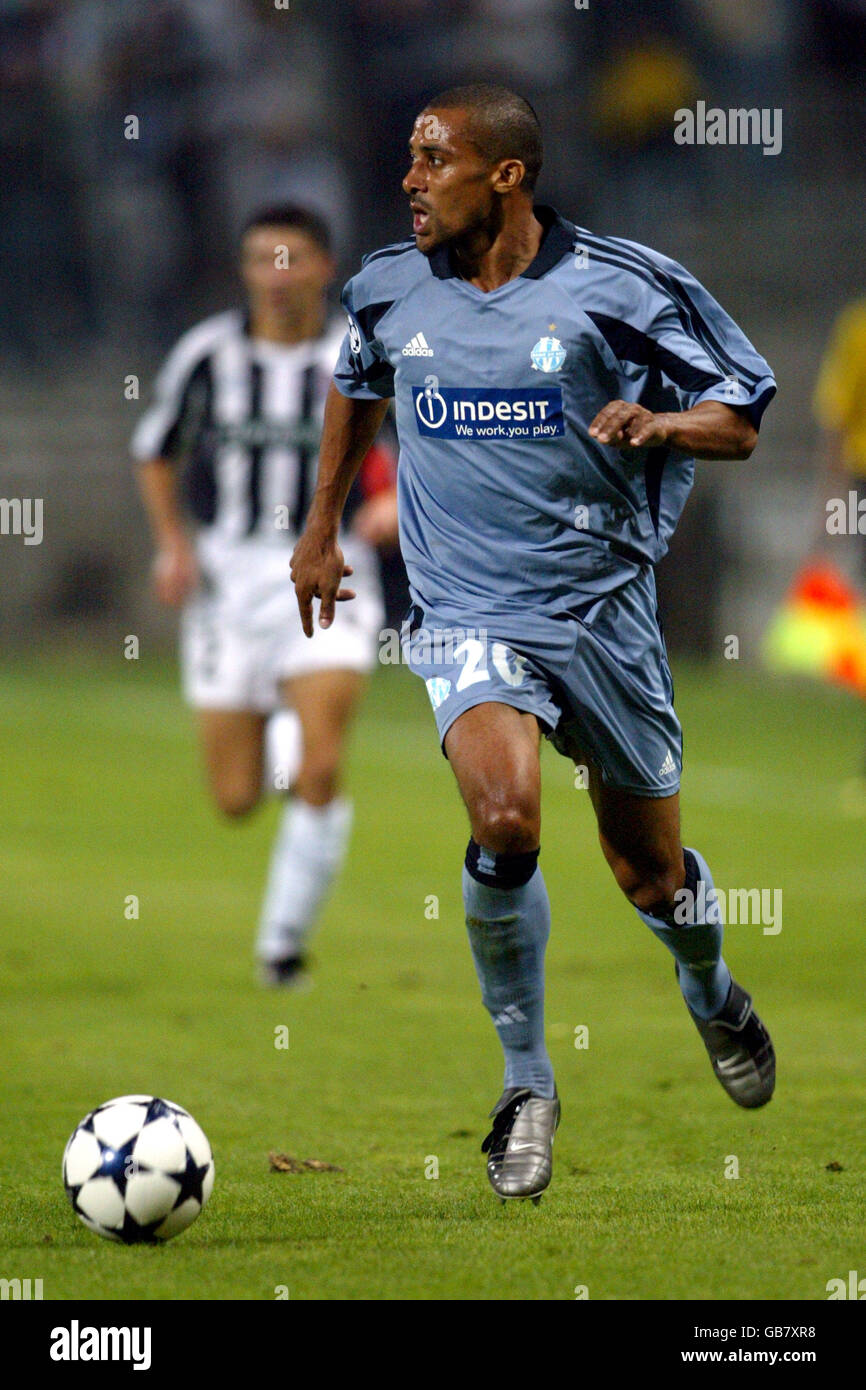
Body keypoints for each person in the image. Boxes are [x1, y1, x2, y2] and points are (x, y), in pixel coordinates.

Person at [290, 86, 777, 1203]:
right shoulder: (385, 286)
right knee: (504, 815)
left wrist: (660, 422)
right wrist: (318, 526)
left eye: (433, 159)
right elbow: (356, 380)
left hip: (603, 611)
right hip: (462, 608)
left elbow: (740, 410)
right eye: (408, 159)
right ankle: (525, 1085)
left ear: (505, 175)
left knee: (646, 873)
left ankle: (708, 991)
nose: (409, 180)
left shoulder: (622, 287)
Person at [132, 204, 398, 986]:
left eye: (293, 259)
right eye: (260, 259)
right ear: (244, 270)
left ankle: (281, 947)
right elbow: (156, 451)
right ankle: (283, 731)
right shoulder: (208, 357)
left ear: (325, 267)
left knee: (319, 771)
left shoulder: (364, 355)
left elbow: (423, 446)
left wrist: (395, 503)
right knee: (237, 798)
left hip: (332, 568)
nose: (276, 276)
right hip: (230, 580)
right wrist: (173, 544)